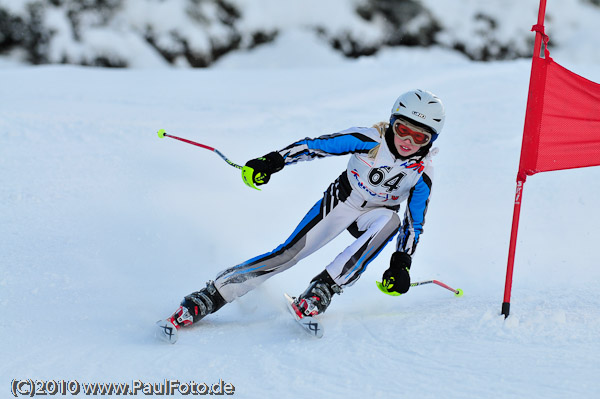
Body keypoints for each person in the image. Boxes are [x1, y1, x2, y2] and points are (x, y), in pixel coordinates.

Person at [165, 89, 445, 330]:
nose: (408, 141)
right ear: (392, 124)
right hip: (342, 201)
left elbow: (413, 222)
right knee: (288, 254)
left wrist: (401, 262)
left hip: (375, 216)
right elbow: (315, 147)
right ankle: (214, 294)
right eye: (403, 130)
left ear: (430, 141)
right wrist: (273, 161)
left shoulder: (423, 173)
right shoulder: (370, 138)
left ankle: (324, 287)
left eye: (419, 138)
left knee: (392, 220)